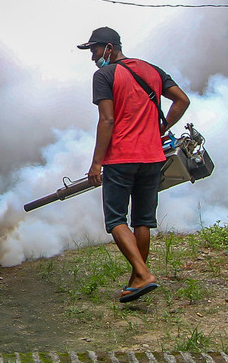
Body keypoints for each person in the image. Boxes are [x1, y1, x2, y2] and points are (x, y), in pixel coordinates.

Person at [78, 27, 190, 303]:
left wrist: (96, 164)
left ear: (109, 48)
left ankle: (143, 273)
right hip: (153, 156)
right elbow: (182, 100)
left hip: (121, 158)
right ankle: (136, 280)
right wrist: (163, 126)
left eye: (94, 50)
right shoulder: (151, 70)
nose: (92, 56)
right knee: (143, 221)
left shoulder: (104, 75)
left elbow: (107, 121)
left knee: (116, 220)